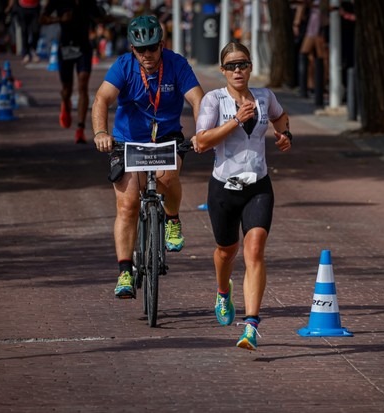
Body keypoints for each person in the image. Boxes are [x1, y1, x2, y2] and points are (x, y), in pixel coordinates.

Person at [91, 15, 204, 298]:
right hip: (129, 141)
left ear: (161, 45)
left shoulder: (177, 64)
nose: (147, 55)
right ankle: (125, 271)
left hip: (165, 138)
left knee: (168, 177)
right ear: (132, 49)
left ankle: (173, 220)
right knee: (127, 205)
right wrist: (100, 133)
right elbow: (102, 99)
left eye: (152, 48)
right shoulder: (124, 67)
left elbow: (197, 99)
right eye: (141, 49)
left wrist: (202, 132)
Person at [191, 42, 293, 351]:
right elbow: (200, 142)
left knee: (255, 250)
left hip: (258, 186)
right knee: (226, 251)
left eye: (243, 64)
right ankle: (223, 291)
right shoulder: (214, 100)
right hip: (224, 188)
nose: (238, 70)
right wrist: (235, 120)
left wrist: (286, 135)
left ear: (250, 68)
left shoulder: (264, 97)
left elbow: (281, 116)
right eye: (232, 66)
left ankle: (250, 325)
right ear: (222, 71)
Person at [40, 0, 105, 144]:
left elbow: (98, 16)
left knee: (83, 84)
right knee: (66, 89)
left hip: (83, 48)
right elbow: (42, 18)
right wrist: (59, 19)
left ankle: (80, 129)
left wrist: (105, 17)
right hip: (66, 48)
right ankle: (65, 102)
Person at [6, 0, 41, 64]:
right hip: (22, 7)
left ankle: (33, 49)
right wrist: (9, 6)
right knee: (24, 31)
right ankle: (25, 53)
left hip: (35, 7)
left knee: (36, 30)